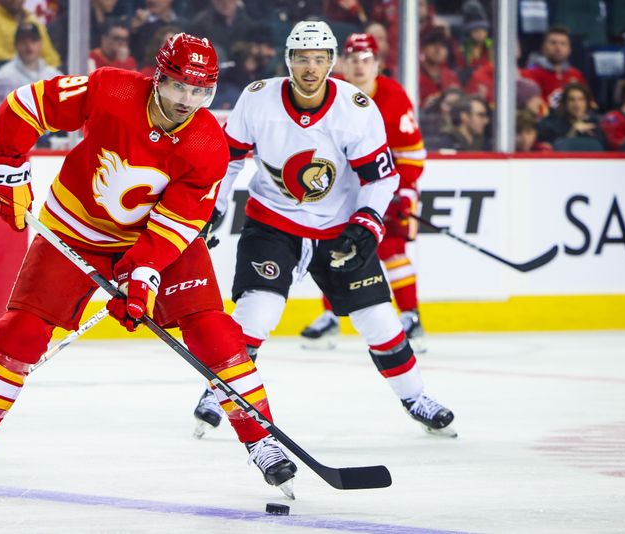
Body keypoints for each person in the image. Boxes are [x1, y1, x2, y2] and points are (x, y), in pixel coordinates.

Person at [0, 32, 297, 499]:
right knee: (21, 331)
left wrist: (143, 273)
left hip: (159, 240)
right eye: (177, 86)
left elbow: (175, 225)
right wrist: (8, 164)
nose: (187, 101)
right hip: (76, 227)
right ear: (157, 77)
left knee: (214, 331)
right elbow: (24, 105)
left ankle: (262, 441)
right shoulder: (112, 89)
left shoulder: (207, 143)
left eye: (200, 91)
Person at [191, 21, 456, 441]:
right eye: (302, 59)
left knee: (380, 320)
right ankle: (218, 392)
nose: (310, 68)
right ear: (288, 61)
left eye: (319, 59)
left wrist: (368, 222)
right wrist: (215, 205)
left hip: (339, 230)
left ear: (332, 62)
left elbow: (380, 178)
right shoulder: (257, 99)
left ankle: (415, 396)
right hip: (273, 223)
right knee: (257, 311)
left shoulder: (356, 108)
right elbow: (229, 160)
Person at [300, 33, 428, 352]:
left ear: (378, 65)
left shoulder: (393, 97)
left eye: (366, 59)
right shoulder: (332, 93)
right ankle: (331, 316)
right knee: (333, 247)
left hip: (386, 186)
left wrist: (404, 192)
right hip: (342, 188)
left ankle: (411, 316)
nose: (358, 66)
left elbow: (412, 154)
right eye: (352, 59)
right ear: (342, 63)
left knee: (393, 248)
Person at [0, 0, 61, 71]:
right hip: (5, 69)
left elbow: (50, 56)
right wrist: (26, 64)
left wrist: (41, 68)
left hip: (38, 72)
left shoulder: (33, 20)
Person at [0, 23, 63, 103]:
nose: (29, 46)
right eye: (23, 41)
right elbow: (1, 112)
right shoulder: (3, 77)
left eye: (33, 41)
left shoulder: (54, 75)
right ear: (15, 44)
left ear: (40, 44)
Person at [523, 26, 588, 110]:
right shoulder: (530, 74)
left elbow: (588, 103)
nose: (558, 48)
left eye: (563, 44)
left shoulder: (576, 75)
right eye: (553, 43)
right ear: (543, 47)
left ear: (569, 49)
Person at [536, 82, 606, 151]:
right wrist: (572, 132)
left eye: (581, 99)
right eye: (572, 100)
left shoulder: (594, 123)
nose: (577, 105)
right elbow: (553, 150)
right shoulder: (551, 124)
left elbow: (604, 149)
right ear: (564, 103)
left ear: (587, 103)